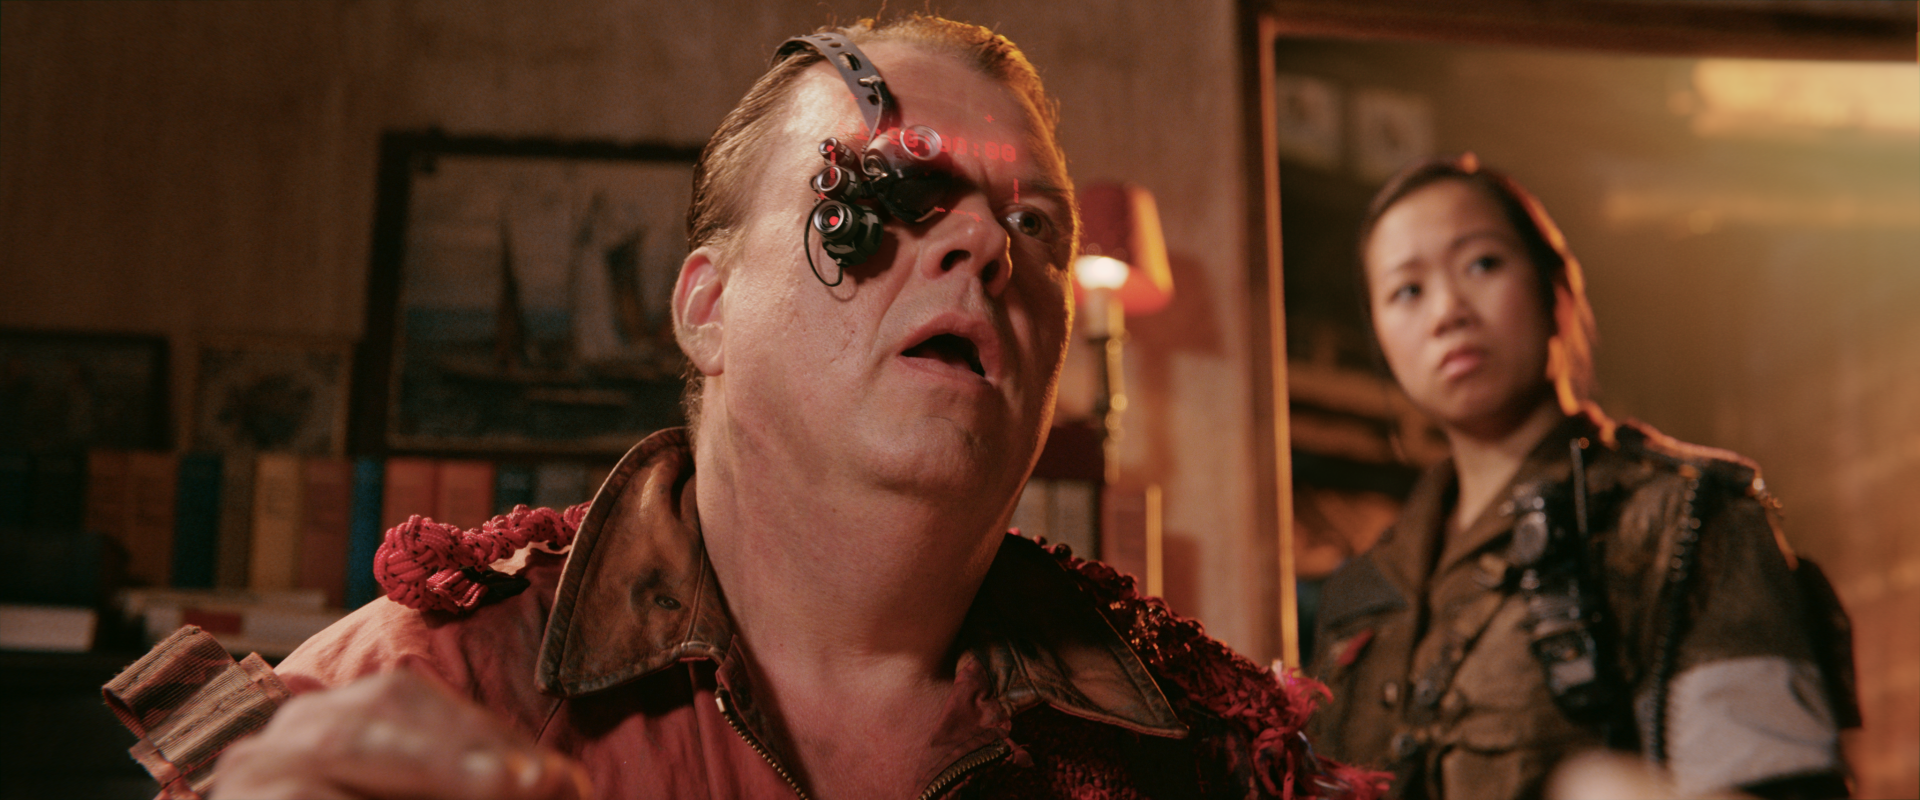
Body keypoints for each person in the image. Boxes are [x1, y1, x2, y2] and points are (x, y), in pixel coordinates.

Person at [103, 16, 1383, 800]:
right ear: (706, 307)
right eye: (890, 195)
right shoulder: (422, 687)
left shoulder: (1212, 753)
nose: (988, 245)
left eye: (1035, 225)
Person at [1304, 154, 1859, 800]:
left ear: (1557, 292)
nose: (1448, 310)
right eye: (1407, 290)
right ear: (1379, 338)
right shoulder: (1361, 594)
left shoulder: (1683, 517)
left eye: (1482, 263)